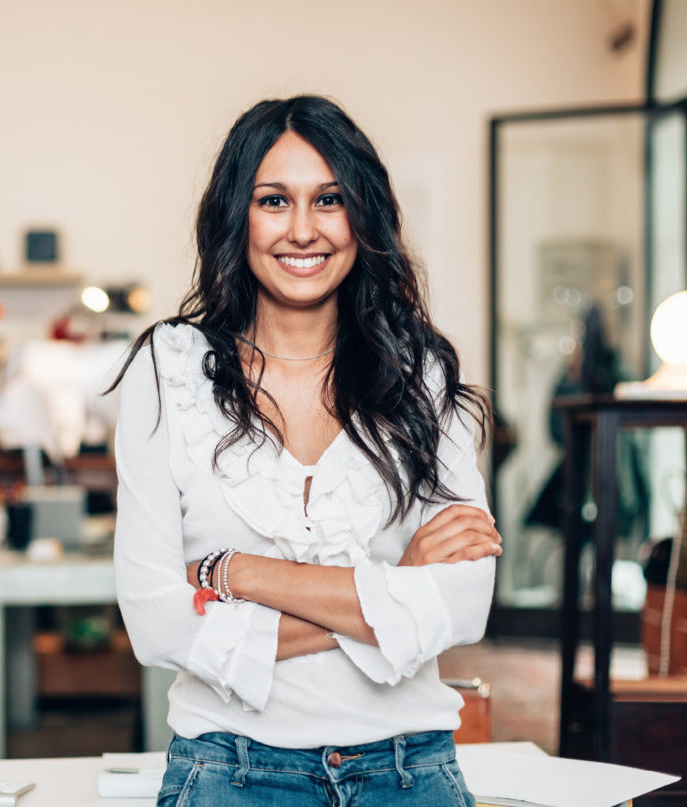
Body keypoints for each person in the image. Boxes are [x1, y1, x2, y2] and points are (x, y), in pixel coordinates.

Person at [110, 96, 502, 807]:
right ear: (239, 215)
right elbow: (156, 620)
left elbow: (466, 601)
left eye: (328, 199)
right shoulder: (168, 370)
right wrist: (392, 587)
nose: (302, 229)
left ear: (362, 214)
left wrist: (241, 572)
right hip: (230, 769)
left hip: (409, 769)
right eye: (273, 200)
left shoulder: (420, 372)